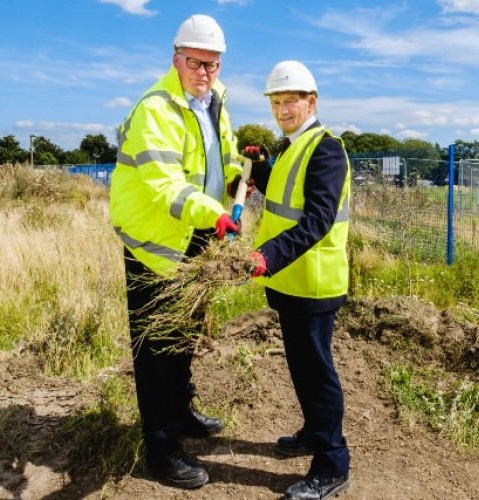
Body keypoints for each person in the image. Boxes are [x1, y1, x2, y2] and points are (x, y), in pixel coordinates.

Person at [109, 13, 243, 489]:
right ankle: (160, 446)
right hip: (157, 244)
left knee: (185, 332)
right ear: (175, 58)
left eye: (212, 64)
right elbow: (167, 186)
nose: (203, 72)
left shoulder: (215, 100)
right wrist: (217, 214)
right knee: (156, 347)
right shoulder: (156, 109)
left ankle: (181, 411)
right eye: (194, 62)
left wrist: (236, 171)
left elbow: (220, 152)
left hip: (197, 237)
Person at [245, 60, 352, 500]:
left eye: (292, 100)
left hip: (313, 282)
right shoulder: (292, 145)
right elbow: (289, 195)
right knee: (302, 368)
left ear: (312, 101)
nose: (283, 108)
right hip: (289, 280)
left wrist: (266, 256)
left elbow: (318, 219)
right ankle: (313, 431)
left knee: (316, 371)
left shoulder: (326, 148)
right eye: (277, 101)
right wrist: (261, 173)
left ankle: (332, 464)